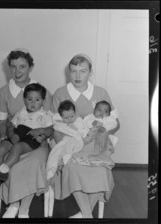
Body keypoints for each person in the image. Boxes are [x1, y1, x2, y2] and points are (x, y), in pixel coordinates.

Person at [51, 53, 120, 218]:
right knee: (72, 168)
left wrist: (105, 133)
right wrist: (65, 149)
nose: (77, 75)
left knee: (103, 171)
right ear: (68, 72)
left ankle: (84, 214)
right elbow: (55, 126)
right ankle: (87, 214)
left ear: (90, 72)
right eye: (73, 71)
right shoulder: (60, 93)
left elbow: (116, 122)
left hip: (96, 145)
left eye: (82, 71)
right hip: (72, 144)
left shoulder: (101, 93)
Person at [0, 49, 52, 218]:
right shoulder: (4, 92)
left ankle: (24, 208)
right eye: (13, 67)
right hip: (16, 137)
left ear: (30, 67)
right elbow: (1, 122)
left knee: (34, 162)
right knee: (10, 160)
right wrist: (5, 136)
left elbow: (50, 121)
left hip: (37, 141)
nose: (17, 71)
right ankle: (13, 204)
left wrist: (44, 136)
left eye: (22, 66)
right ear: (9, 68)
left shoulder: (41, 90)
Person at [0, 83, 53, 184]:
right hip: (18, 134)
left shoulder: (45, 115)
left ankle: (3, 171)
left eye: (37, 100)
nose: (33, 103)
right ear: (25, 100)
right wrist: (11, 134)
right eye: (29, 99)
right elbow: (11, 126)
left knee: (17, 148)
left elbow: (50, 130)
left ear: (43, 101)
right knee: (1, 148)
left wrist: (41, 131)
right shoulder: (21, 112)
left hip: (31, 138)